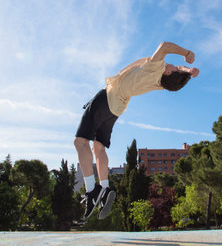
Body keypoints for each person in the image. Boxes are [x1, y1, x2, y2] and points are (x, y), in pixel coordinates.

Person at [74, 42, 199, 220]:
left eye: (172, 67)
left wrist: (186, 52)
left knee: (80, 143)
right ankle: (104, 188)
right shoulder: (161, 83)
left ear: (168, 72)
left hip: (107, 98)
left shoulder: (154, 68)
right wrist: (188, 71)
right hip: (117, 108)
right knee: (98, 148)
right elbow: (177, 69)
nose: (171, 64)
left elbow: (164, 46)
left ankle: (91, 191)